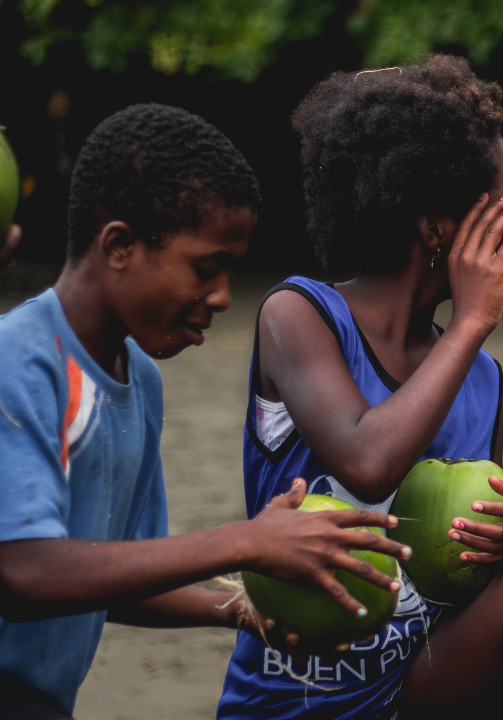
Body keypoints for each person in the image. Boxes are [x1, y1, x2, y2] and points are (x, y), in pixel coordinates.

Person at [217, 56, 503, 720]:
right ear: (436, 225)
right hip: (293, 701)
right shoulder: (301, 315)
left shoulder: (481, 376)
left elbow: (453, 569)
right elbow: (367, 461)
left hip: (416, 688)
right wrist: (471, 322)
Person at [0, 104, 409, 720]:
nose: (221, 298)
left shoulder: (138, 378)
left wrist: (246, 610)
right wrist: (248, 541)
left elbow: (116, 573)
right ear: (119, 245)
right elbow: (25, 573)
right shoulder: (21, 361)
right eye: (205, 268)